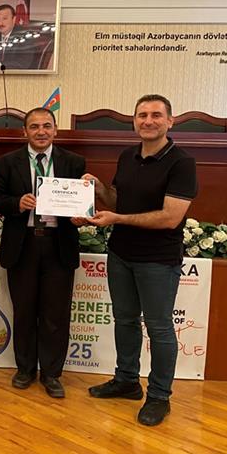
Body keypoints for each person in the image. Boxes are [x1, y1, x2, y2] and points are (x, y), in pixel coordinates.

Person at [85, 94, 197, 426]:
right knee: (125, 320)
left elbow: (170, 217)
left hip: (158, 260)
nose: (148, 121)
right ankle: (127, 381)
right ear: (134, 120)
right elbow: (117, 200)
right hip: (121, 254)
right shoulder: (127, 155)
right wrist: (99, 189)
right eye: (142, 115)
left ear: (170, 121)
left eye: (156, 115)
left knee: (159, 328)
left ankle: (159, 396)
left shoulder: (182, 163)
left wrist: (116, 218)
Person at [0, 107, 86, 398]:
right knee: (25, 311)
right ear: (25, 132)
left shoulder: (74, 162)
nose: (41, 131)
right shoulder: (7, 162)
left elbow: (81, 201)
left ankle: (52, 374)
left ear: (55, 129)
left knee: (56, 314)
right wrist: (16, 203)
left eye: (46, 126)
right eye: (34, 126)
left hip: (59, 244)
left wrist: (80, 215)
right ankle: (25, 369)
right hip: (23, 244)